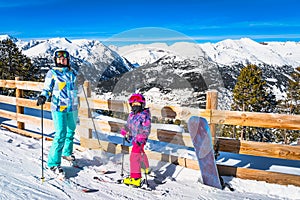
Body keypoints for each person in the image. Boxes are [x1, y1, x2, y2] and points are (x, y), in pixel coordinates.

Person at [37, 49, 79, 177]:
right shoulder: (52, 73)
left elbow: (76, 86)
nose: (62, 60)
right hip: (59, 107)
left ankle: (67, 152)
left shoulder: (72, 72)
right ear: (56, 59)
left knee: (71, 130)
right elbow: (47, 88)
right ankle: (53, 163)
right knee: (61, 133)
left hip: (72, 107)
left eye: (65, 58)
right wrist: (43, 96)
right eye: (60, 58)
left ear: (68, 60)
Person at [120, 93, 151, 187]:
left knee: (134, 157)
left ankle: (135, 178)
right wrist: (125, 130)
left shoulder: (144, 116)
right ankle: (146, 168)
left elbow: (147, 129)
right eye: (133, 105)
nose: (135, 107)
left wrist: (141, 137)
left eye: (137, 104)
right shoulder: (131, 115)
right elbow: (129, 125)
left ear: (142, 105)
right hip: (134, 138)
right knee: (140, 153)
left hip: (140, 139)